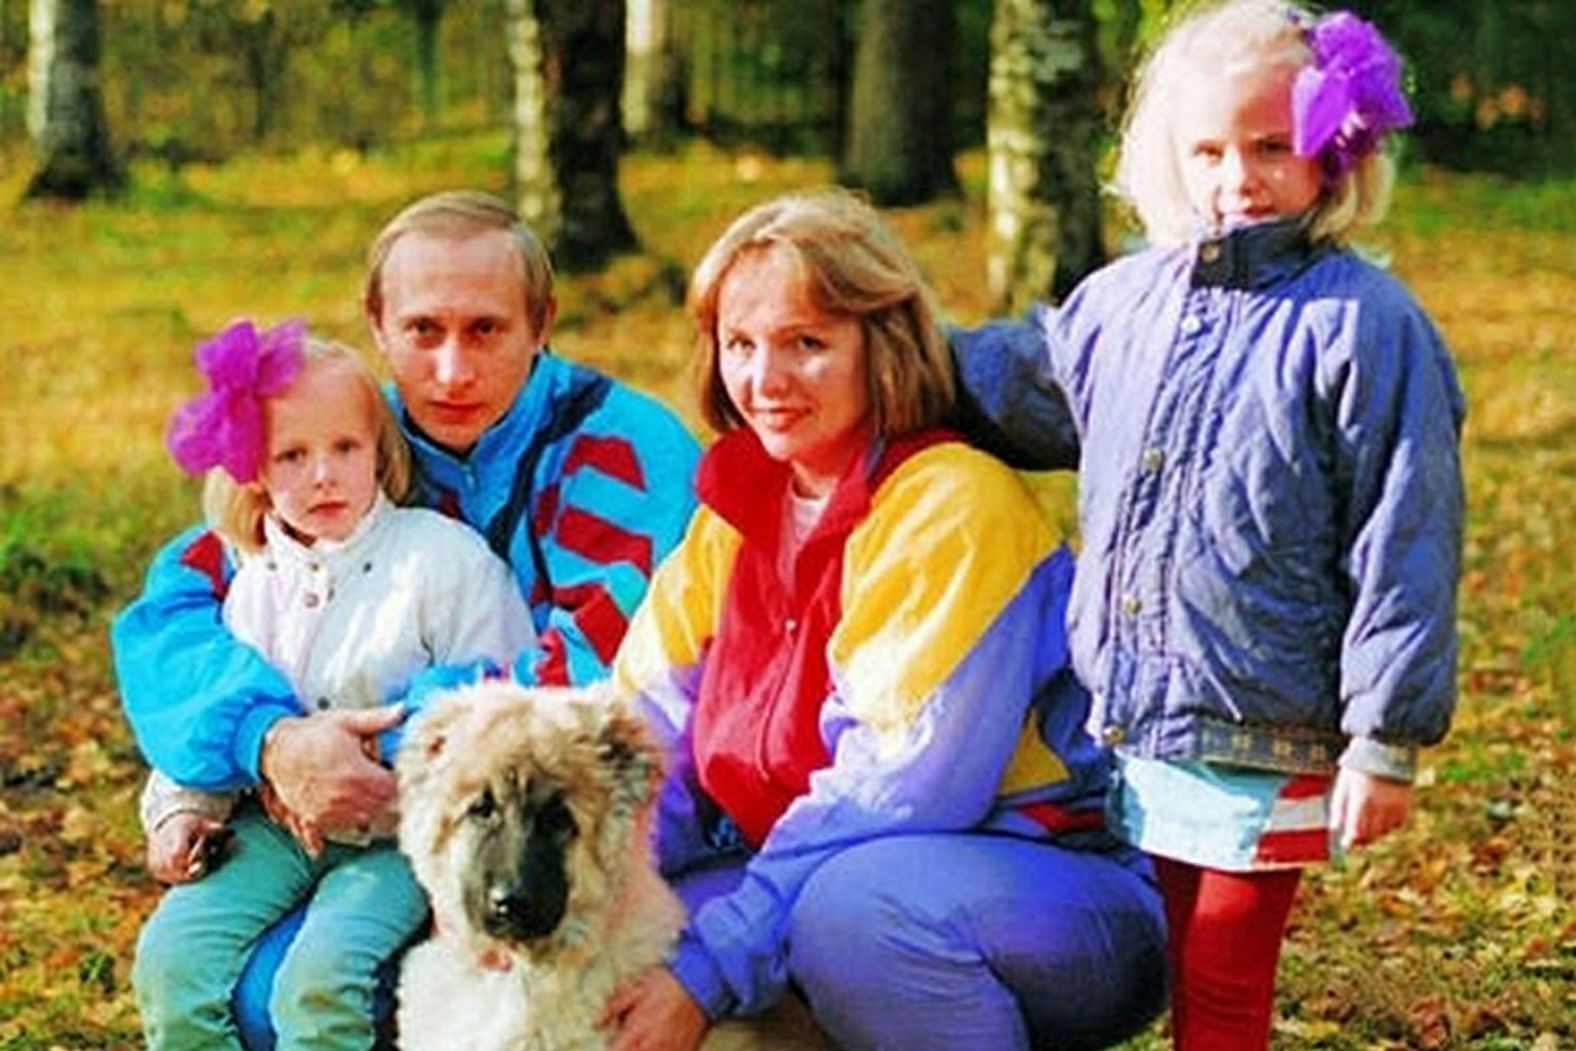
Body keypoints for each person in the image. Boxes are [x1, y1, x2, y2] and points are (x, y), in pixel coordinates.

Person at [952, 4, 1465, 1048]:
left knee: (1225, 984)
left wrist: (1384, 740)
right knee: (1179, 957)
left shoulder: (1364, 325)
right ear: (1167, 156)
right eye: (1210, 149)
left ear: (1336, 147)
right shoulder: (1126, 301)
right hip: (1142, 714)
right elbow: (1022, 382)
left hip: (1267, 723)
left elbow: (1403, 537)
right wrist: (878, 351)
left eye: (1272, 146)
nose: (1239, 177)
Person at [112, 191, 701, 1046]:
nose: (452, 371)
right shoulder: (349, 439)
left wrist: (371, 743)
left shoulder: (617, 449)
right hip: (354, 825)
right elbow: (175, 608)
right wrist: (271, 739)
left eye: (486, 330)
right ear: (378, 325)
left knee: (302, 998)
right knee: (223, 980)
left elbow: (597, 661)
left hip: (563, 832)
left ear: (542, 323)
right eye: (424, 330)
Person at [599, 189, 1168, 1051]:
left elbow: (895, 791)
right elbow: (645, 737)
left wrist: (707, 971)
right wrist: (588, 889)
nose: (765, 380)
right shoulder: (736, 507)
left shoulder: (952, 503)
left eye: (807, 344)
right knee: (618, 934)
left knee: (855, 913)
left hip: (1052, 891)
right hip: (813, 863)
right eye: (740, 344)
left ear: (883, 343)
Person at [132, 324, 537, 1049]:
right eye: (293, 455)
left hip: (395, 838)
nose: (323, 474)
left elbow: (500, 691)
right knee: (172, 961)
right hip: (275, 826)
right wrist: (178, 810)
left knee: (318, 982)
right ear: (252, 468)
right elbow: (217, 709)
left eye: (344, 448)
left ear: (380, 451)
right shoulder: (251, 579)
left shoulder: (439, 559)